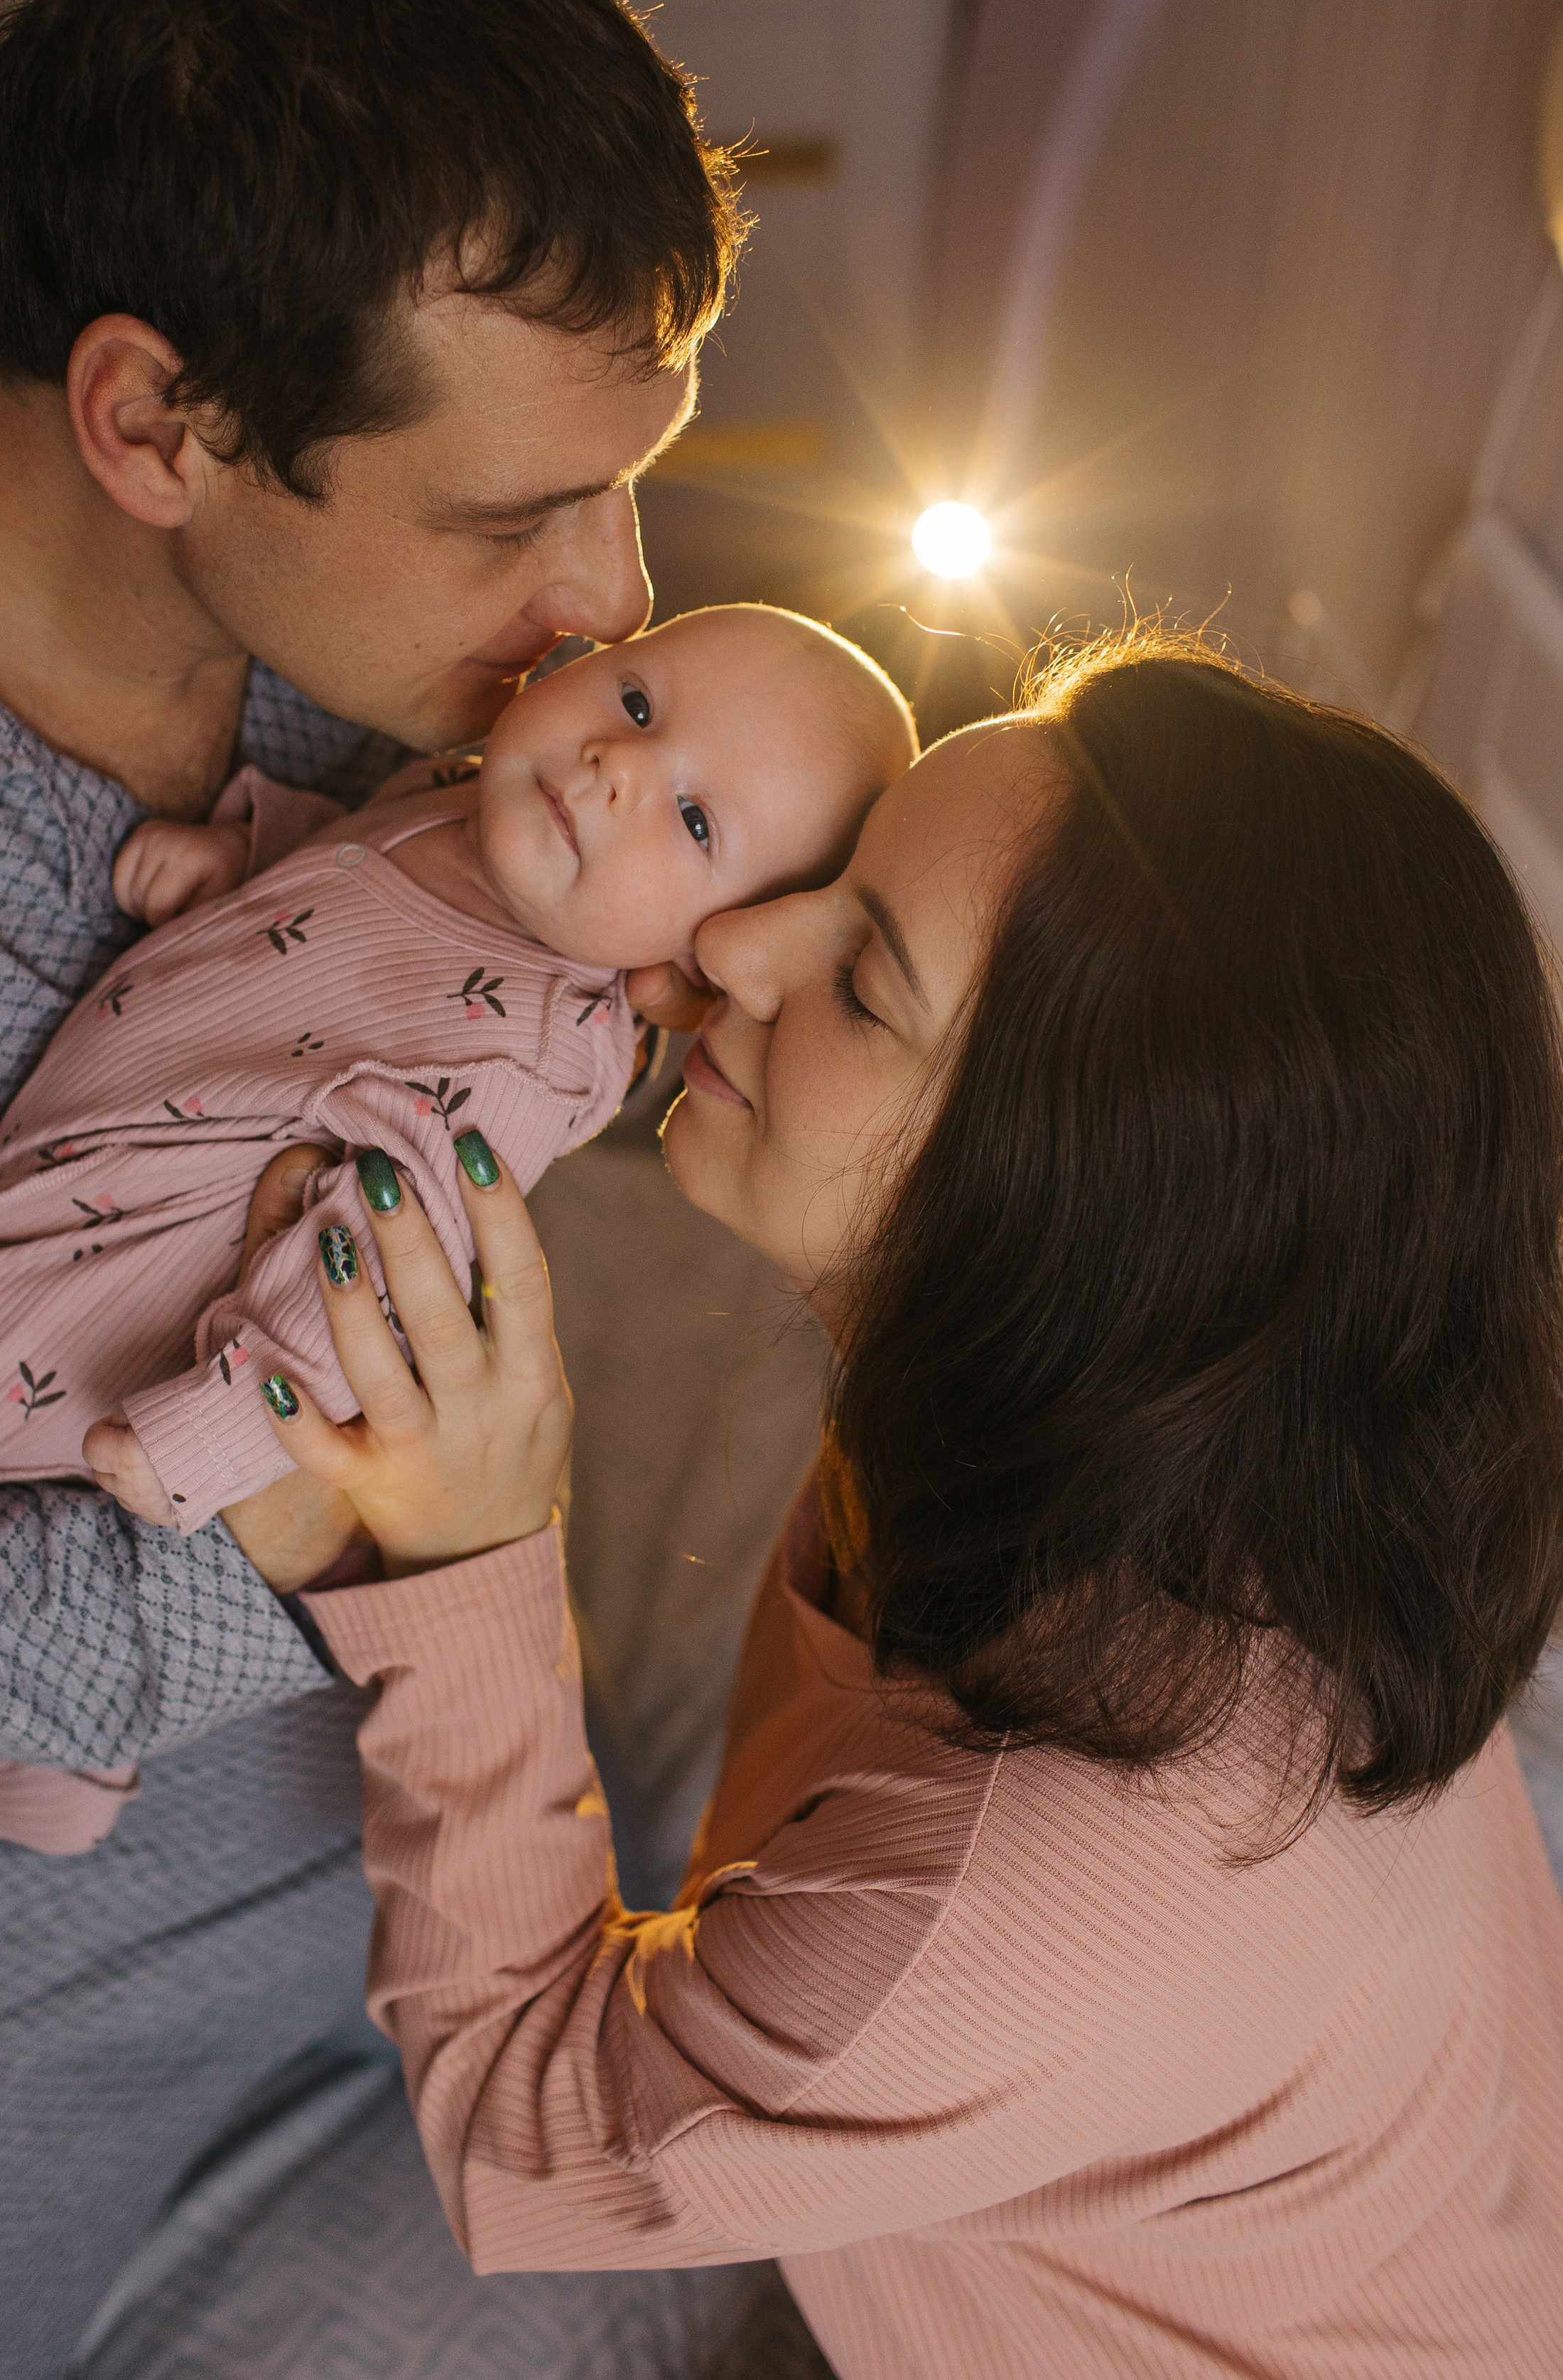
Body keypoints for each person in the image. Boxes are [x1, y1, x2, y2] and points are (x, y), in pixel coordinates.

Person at [0, 0, 742, 2379]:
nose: (608, 603)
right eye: (520, 517)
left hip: (464, 1846)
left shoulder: (411, 662)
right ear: (156, 419)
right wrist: (296, 1565)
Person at [249, 633, 1563, 2379]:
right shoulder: (1211, 1424)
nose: (727, 942)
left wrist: (473, 1557)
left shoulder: (1029, 1885)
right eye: (844, 874)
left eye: (864, 985)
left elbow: (524, 2145)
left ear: (1067, 1222)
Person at [0, 607, 910, 1854]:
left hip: (155, 1241)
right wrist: (244, 852)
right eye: (636, 703)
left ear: (709, 958)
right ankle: (61, 1744)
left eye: (694, 822)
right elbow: (351, 878)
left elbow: (375, 1247)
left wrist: (217, 1429)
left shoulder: (535, 1053)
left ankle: (62, 1763)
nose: (617, 766)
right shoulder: (455, 796)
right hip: (110, 1116)